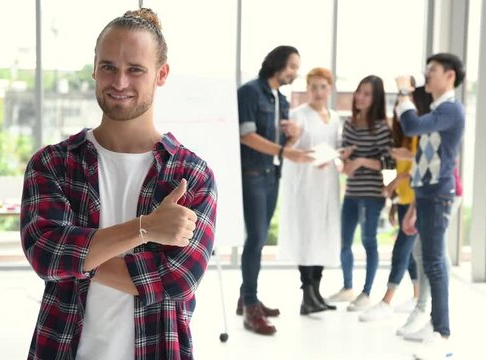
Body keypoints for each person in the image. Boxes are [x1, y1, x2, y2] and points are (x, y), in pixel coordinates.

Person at [20, 8, 217, 360]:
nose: (120, 82)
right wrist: (147, 229)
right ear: (94, 68)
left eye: (135, 70)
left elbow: (175, 281)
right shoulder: (53, 164)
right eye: (109, 66)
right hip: (62, 348)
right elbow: (46, 254)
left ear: (162, 74)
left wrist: (79, 258)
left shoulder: (191, 174)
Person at [235, 45, 313, 335]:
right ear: (278, 64)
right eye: (293, 66)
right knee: (255, 239)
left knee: (260, 239)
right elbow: (246, 135)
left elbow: (284, 150)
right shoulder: (250, 93)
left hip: (271, 174)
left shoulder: (281, 99)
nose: (295, 72)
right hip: (252, 174)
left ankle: (246, 298)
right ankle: (251, 307)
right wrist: (284, 148)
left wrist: (295, 136)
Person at [395, 53, 466, 360]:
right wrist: (413, 205)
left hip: (438, 194)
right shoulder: (439, 110)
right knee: (425, 256)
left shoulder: (451, 110)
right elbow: (424, 159)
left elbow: (410, 126)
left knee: (434, 261)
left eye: (432, 71)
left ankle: (443, 333)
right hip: (427, 193)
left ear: (450, 76)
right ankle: (435, 324)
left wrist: (403, 94)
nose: (427, 76)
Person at [358, 83, 431, 323]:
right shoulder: (403, 134)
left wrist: (395, 182)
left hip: (416, 200)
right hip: (404, 199)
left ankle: (387, 301)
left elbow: (420, 168)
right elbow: (398, 167)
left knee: (402, 249)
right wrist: (392, 196)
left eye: (406, 100)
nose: (402, 105)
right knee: (408, 254)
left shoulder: (423, 134)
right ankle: (417, 296)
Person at [327, 75, 395, 311]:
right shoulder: (350, 125)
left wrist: (363, 161)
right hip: (352, 193)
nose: (360, 97)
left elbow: (390, 163)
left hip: (372, 194)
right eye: (359, 92)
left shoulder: (382, 128)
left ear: (375, 99)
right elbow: (346, 162)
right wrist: (344, 161)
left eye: (367, 93)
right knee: (344, 241)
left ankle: (366, 293)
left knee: (368, 242)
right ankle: (348, 288)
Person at [277, 67, 341, 315]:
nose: (317, 92)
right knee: (308, 236)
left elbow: (335, 146)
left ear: (330, 89)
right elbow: (289, 147)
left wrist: (337, 156)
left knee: (323, 236)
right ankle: (307, 295)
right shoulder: (298, 115)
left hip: (327, 183)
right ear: (307, 89)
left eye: (322, 86)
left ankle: (317, 292)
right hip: (306, 185)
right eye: (313, 86)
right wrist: (292, 138)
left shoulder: (334, 117)